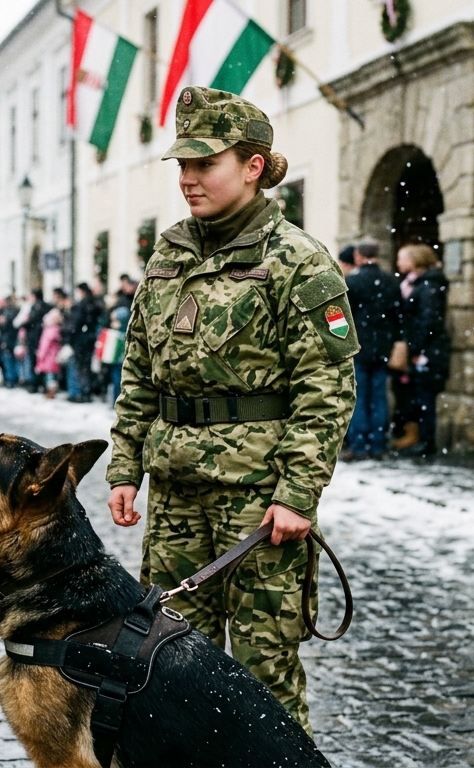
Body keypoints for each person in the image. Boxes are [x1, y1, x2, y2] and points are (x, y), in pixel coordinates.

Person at [106, 87, 358, 736]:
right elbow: (139, 369)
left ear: (252, 166)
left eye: (204, 164)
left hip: (259, 502)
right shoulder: (168, 254)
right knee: (169, 665)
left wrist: (299, 494)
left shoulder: (296, 260)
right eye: (182, 167)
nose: (188, 179)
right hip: (176, 496)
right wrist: (125, 465)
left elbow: (325, 386)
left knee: (259, 677)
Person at [343, 240, 401, 459]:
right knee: (379, 396)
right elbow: (398, 314)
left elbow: (344, 314)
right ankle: (377, 443)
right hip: (383, 344)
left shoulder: (353, 281)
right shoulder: (389, 280)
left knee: (358, 396)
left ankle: (358, 444)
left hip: (358, 344)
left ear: (358, 256)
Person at [392, 243, 450, 456]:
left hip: (428, 351)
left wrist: (416, 348)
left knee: (425, 397)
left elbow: (428, 321)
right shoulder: (424, 284)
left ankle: (426, 441)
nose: (399, 263)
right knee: (419, 396)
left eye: (403, 258)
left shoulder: (428, 286)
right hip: (426, 348)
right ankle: (421, 438)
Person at [63, 282, 99, 402]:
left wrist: (69, 337)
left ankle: (80, 392)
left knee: (79, 367)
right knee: (86, 367)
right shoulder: (93, 304)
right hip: (89, 338)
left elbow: (74, 324)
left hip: (80, 340)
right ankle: (86, 391)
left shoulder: (80, 306)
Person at [15, 289, 50, 392]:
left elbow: (31, 321)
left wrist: (22, 325)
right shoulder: (46, 306)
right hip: (42, 336)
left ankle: (35, 384)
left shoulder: (36, 307)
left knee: (34, 360)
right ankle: (42, 383)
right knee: (41, 360)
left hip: (35, 337)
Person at [35, 304, 65, 399]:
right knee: (53, 375)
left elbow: (44, 345)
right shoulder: (58, 329)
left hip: (48, 356)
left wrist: (40, 354)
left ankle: (50, 392)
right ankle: (52, 391)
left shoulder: (49, 331)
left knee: (49, 376)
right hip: (55, 356)